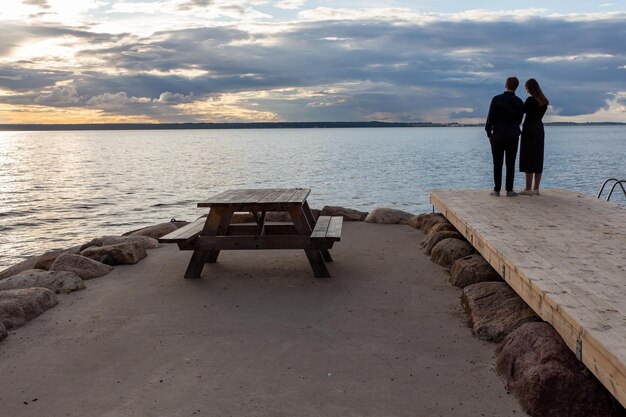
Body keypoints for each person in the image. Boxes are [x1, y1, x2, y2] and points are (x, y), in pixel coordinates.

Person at [485, 76, 525, 196]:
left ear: (505, 85)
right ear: (516, 87)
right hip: (512, 135)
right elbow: (519, 120)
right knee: (510, 163)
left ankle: (497, 189)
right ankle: (509, 189)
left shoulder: (496, 99)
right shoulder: (519, 102)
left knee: (497, 163)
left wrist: (489, 134)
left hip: (497, 135)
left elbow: (490, 118)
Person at [518, 79, 549, 195]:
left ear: (530, 88)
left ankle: (528, 189)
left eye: (526, 88)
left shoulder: (530, 101)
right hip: (539, 129)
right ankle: (536, 188)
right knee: (538, 157)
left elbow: (522, 111)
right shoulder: (544, 101)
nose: (525, 90)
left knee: (528, 157)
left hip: (529, 129)